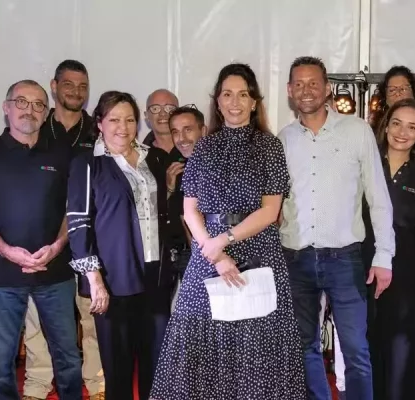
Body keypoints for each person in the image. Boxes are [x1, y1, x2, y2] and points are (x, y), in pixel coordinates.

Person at [149, 63, 306, 400]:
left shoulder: (269, 146)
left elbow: (270, 211)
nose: (235, 102)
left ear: (254, 102)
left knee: (255, 344)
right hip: (208, 255)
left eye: (243, 95)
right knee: (198, 339)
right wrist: (216, 253)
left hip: (257, 251)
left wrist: (226, 239)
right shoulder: (204, 147)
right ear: (217, 102)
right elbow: (190, 210)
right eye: (227, 95)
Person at [279, 56, 395, 400]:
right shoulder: (283, 139)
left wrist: (384, 255)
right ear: (289, 91)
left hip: (345, 259)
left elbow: (378, 197)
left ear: (327, 88)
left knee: (356, 349)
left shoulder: (357, 131)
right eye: (299, 84)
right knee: (304, 348)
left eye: (313, 83)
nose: (306, 91)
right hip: (296, 258)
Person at [0, 79, 82, 399]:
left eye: (38, 104)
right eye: (21, 102)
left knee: (69, 359)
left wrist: (58, 246)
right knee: (0, 365)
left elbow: (74, 209)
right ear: (6, 107)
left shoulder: (62, 154)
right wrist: (6, 250)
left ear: (46, 112)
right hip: (1, 275)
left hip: (55, 273)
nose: (30, 110)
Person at [66, 91, 172, 400]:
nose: (122, 127)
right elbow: (79, 223)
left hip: (155, 276)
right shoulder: (88, 163)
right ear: (99, 123)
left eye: (129, 120)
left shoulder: (154, 158)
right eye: (114, 119)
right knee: (118, 369)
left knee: (157, 364)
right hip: (114, 280)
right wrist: (95, 280)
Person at [23, 59, 104, 400]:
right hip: (44, 239)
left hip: (89, 238)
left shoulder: (97, 132)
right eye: (68, 84)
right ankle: (37, 383)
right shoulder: (36, 129)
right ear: (54, 86)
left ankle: (97, 383)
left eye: (82, 86)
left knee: (92, 315)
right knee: (37, 317)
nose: (76, 91)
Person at [370, 98, 415, 400]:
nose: (402, 133)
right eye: (396, 123)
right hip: (363, 262)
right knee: (368, 339)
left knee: (402, 343)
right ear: (386, 126)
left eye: (412, 127)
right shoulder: (367, 163)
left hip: (407, 266)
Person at [166, 104, 208, 310]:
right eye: (175, 132)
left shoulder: (218, 163)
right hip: (186, 253)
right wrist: (169, 188)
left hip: (214, 252)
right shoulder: (175, 165)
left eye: (188, 130)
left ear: (203, 130)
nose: (181, 138)